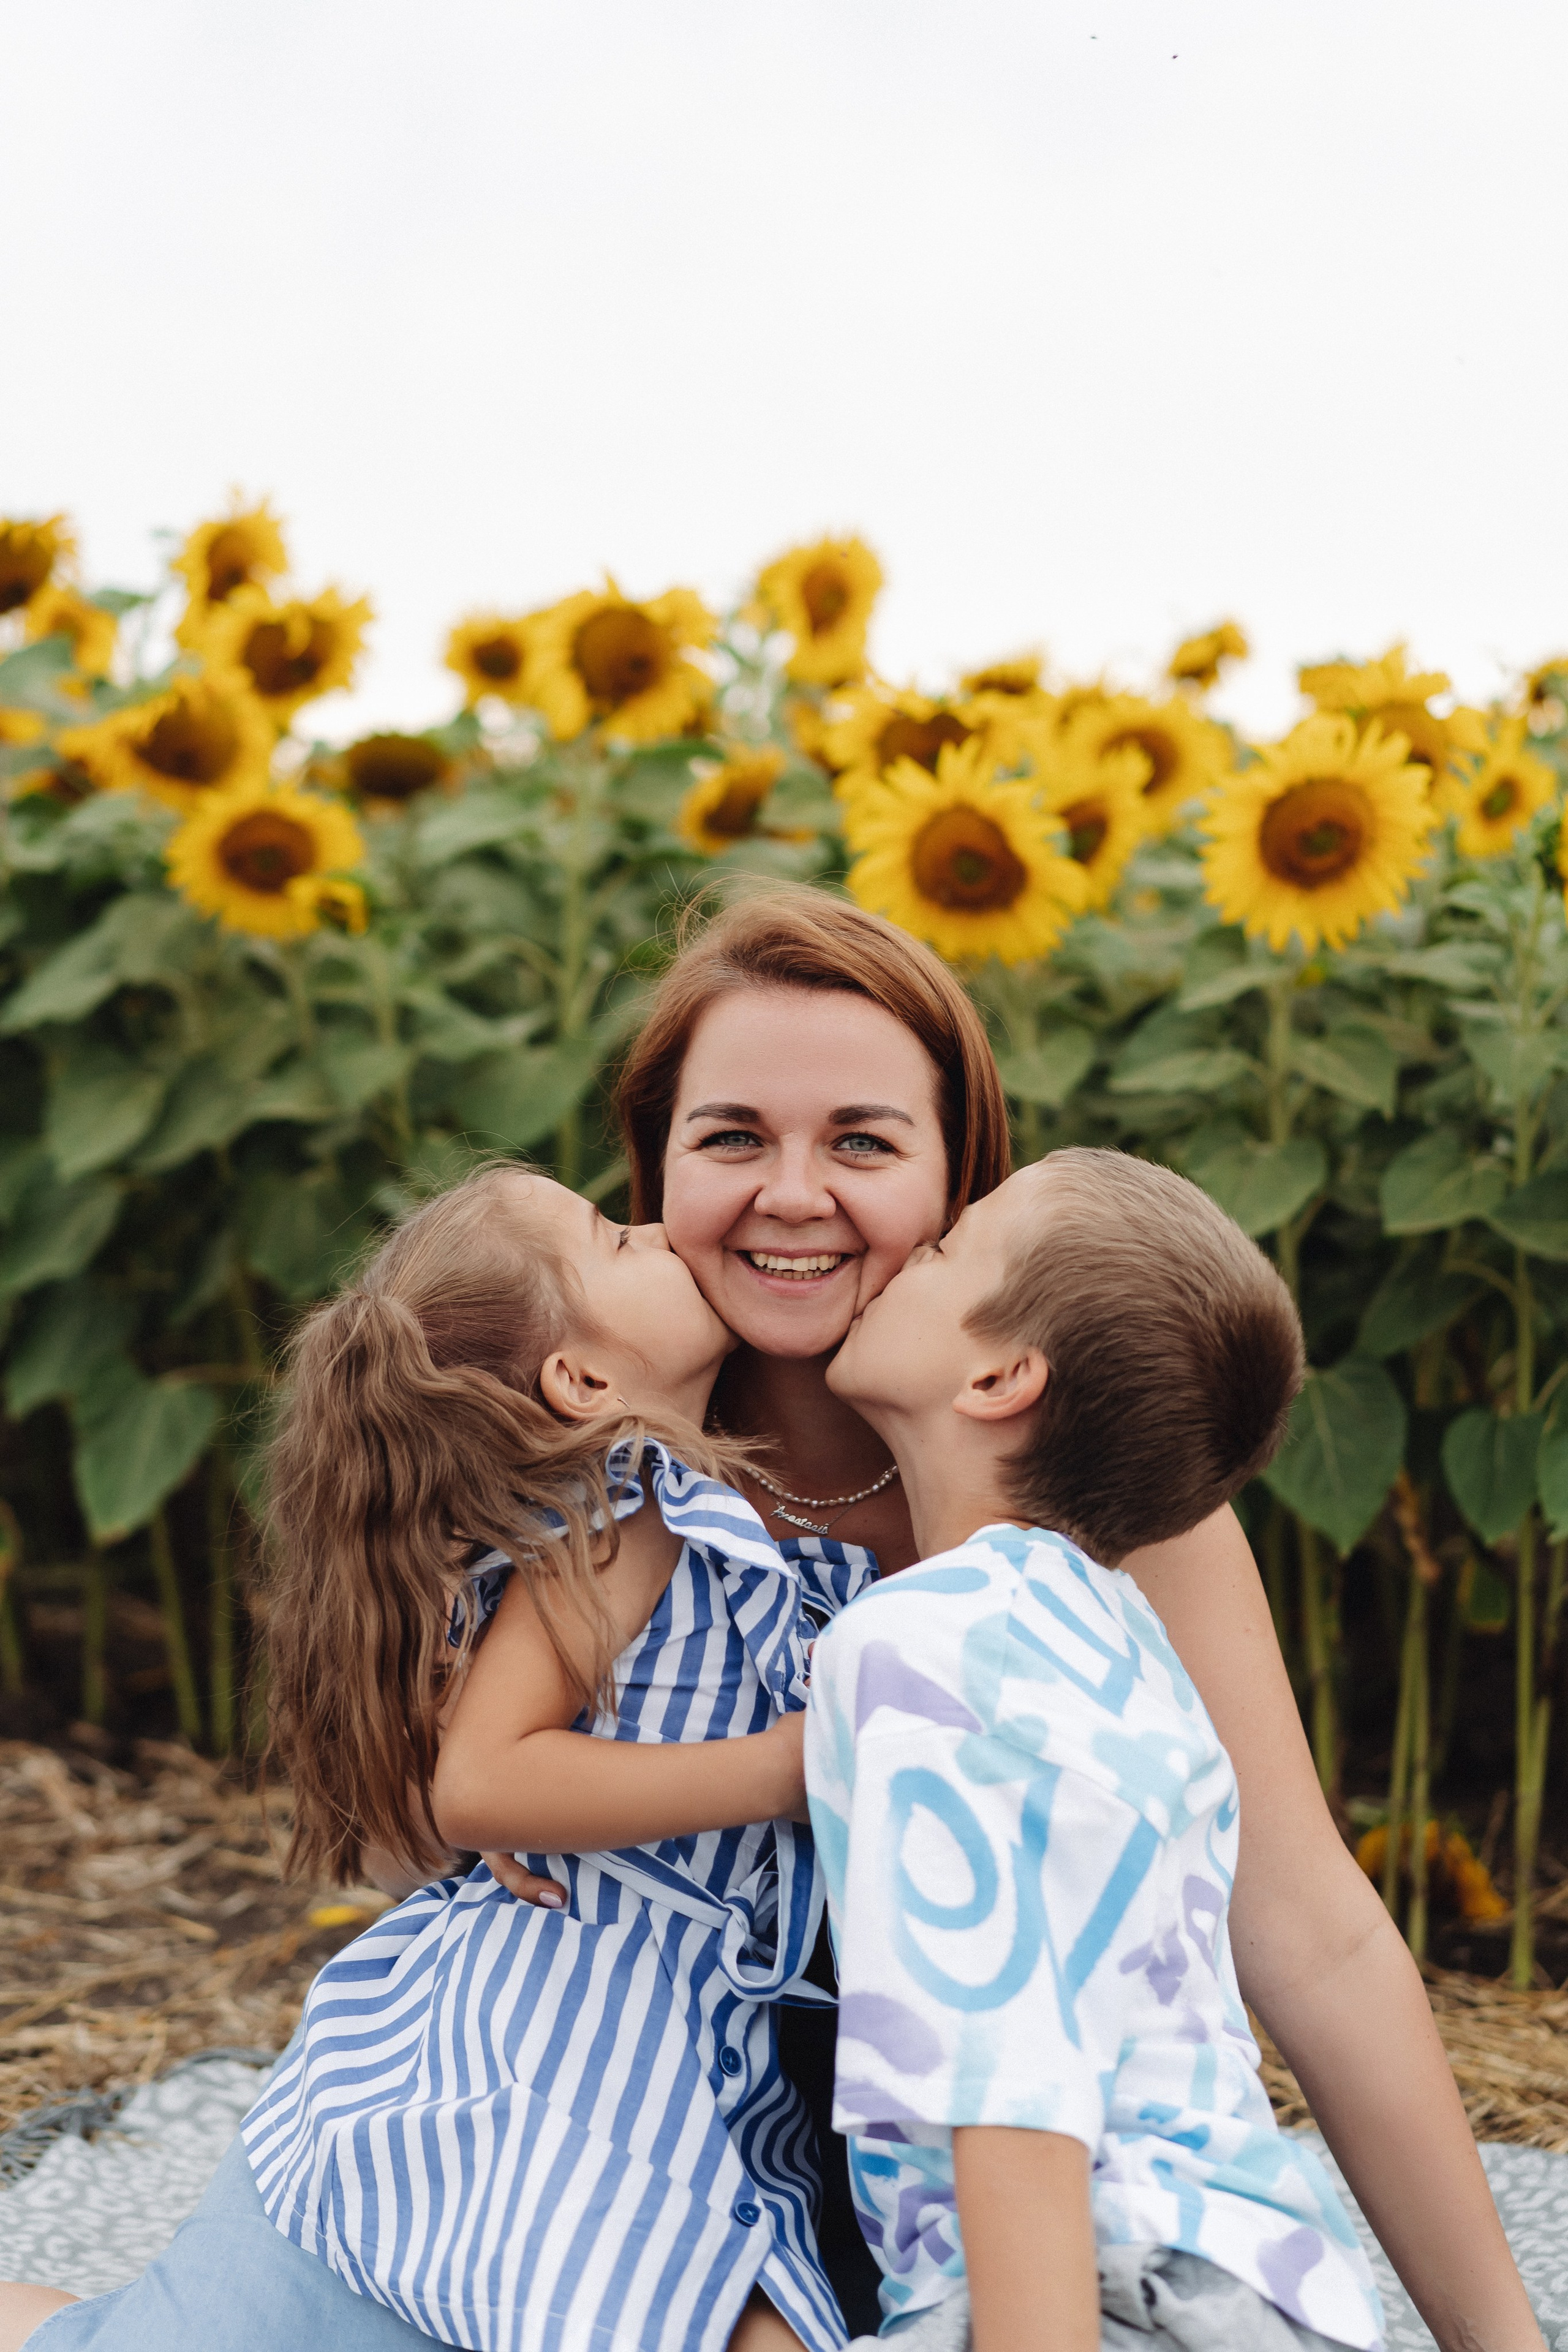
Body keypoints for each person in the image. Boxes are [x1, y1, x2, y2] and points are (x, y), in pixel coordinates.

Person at [1, 886, 1538, 2352]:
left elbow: (1310, 1937)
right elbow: (429, 1833)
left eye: (862, 1142)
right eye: (729, 1136)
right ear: (655, 1175)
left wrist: (1499, 2340)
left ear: (957, 1184)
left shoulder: (1104, 1513)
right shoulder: (593, 1450)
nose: (790, 1196)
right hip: (543, 2157)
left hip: (849, 2196)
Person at [4, 1164, 870, 2352]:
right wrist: (786, 1767)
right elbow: (481, 1780)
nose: (662, 1229)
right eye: (619, 1243)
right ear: (579, 1380)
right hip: (571, 2027)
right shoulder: (625, 1521)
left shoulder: (675, 1515)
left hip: (676, 2036)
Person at [805, 1147, 1385, 2352]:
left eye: (947, 1251)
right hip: (1261, 2278)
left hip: (1102, 2289)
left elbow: (1007, 2083)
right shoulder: (1122, 1641)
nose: (908, 1254)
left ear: (1001, 1376)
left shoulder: (923, 1642)